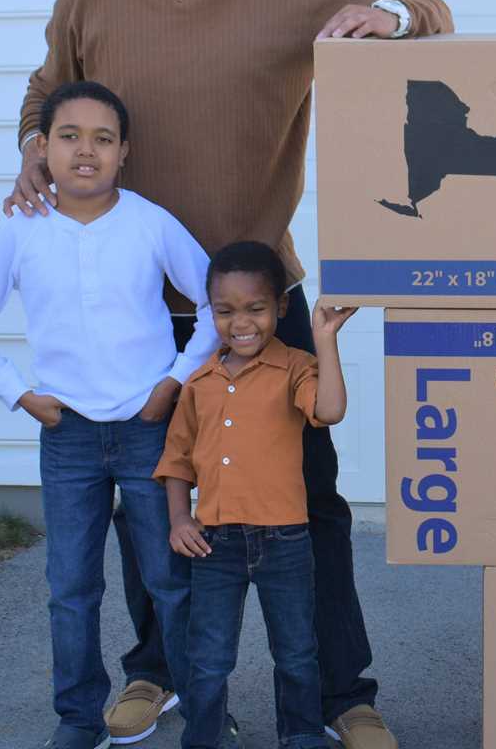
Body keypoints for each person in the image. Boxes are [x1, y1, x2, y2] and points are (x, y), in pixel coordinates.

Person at [4, 0, 451, 748]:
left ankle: (342, 692)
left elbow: (428, 9)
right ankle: (157, 672)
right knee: (150, 499)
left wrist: (392, 18)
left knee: (309, 502)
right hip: (136, 307)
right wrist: (30, 152)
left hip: (258, 302)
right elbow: (46, 95)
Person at [0, 82, 218, 749]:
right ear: (43, 148)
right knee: (71, 586)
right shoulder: (23, 229)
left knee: (170, 580)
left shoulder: (150, 222)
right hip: (66, 433)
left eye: (103, 138)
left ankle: (205, 719)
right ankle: (78, 717)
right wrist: (18, 393)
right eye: (70, 136)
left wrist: (174, 382)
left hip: (147, 428)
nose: (86, 151)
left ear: (124, 152)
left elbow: (218, 302)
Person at [156, 241, 359, 749]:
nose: (241, 322)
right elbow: (177, 460)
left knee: (295, 652)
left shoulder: (294, 368)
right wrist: (180, 519)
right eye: (224, 311)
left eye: (256, 308)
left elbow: (330, 410)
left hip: (286, 541)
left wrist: (325, 339)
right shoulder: (198, 383)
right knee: (208, 657)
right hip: (215, 545)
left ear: (280, 308)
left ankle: (301, 735)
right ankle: (204, 738)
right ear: (210, 313)